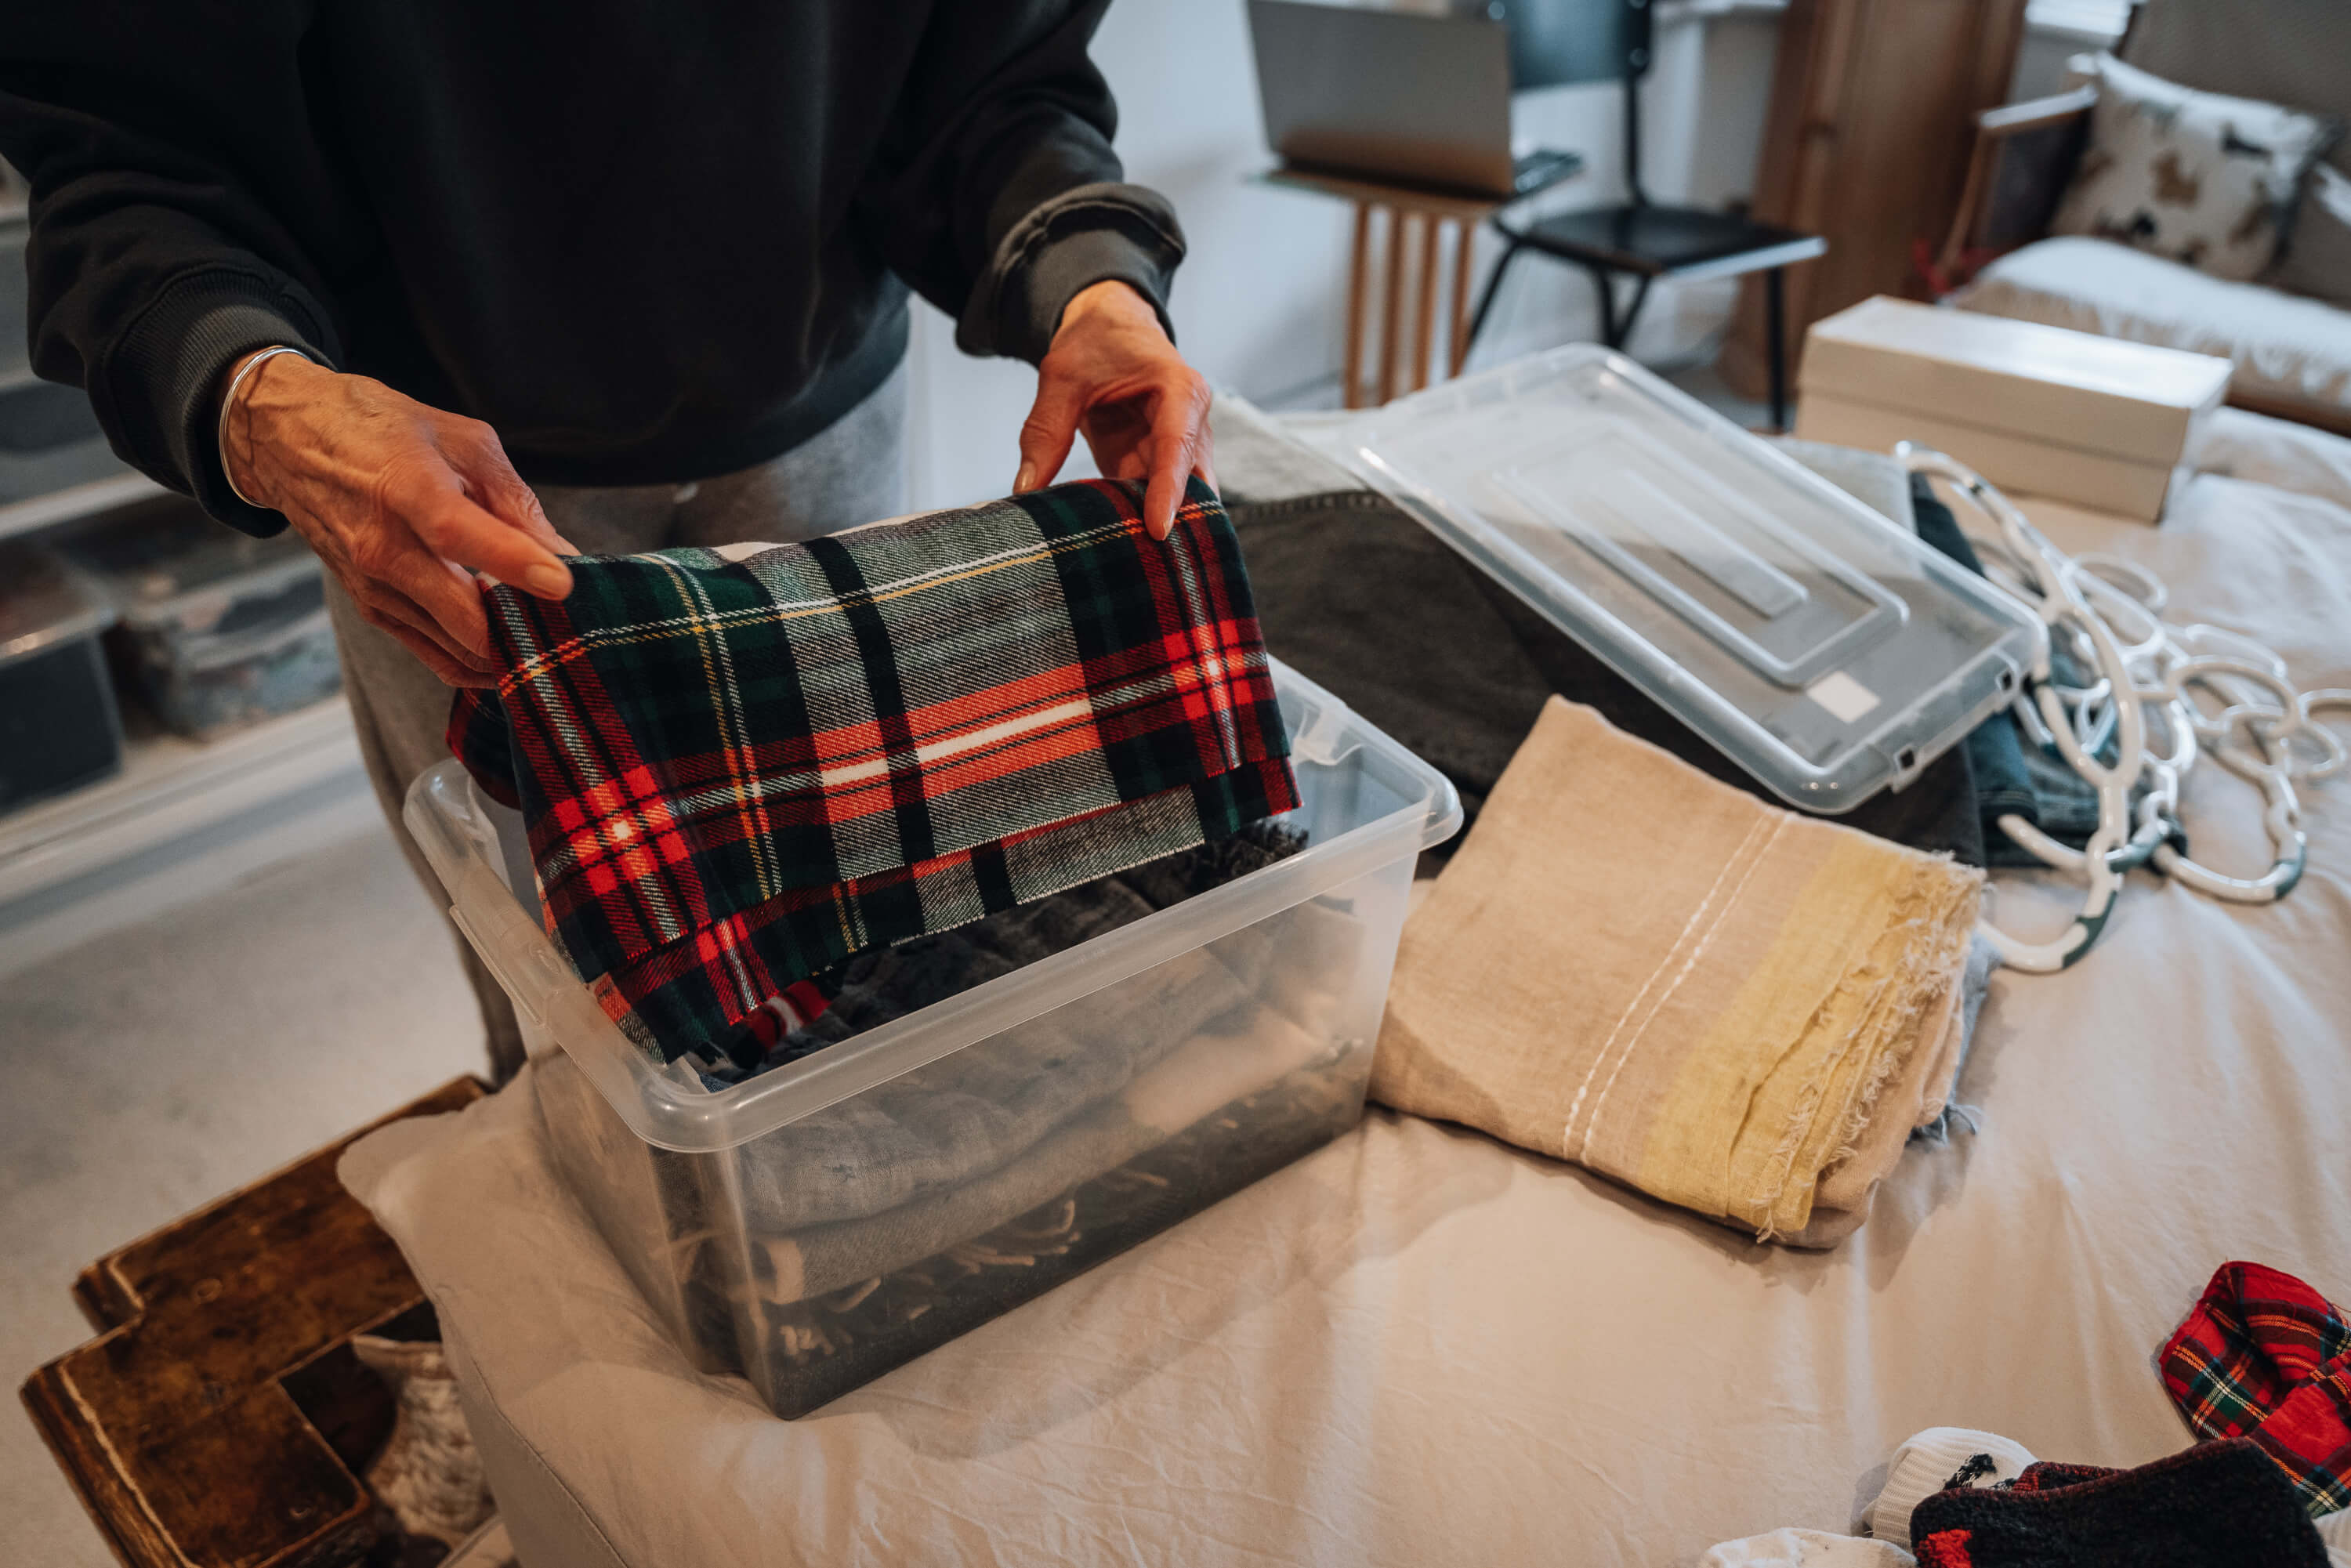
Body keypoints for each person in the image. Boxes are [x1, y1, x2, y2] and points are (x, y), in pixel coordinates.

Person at [1, 2, 1212, 1081]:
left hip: (823, 409)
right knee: (570, 1036)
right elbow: (129, 139)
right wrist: (255, 398)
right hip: (449, 474)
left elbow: (992, 68)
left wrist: (1090, 273)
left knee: (879, 969)